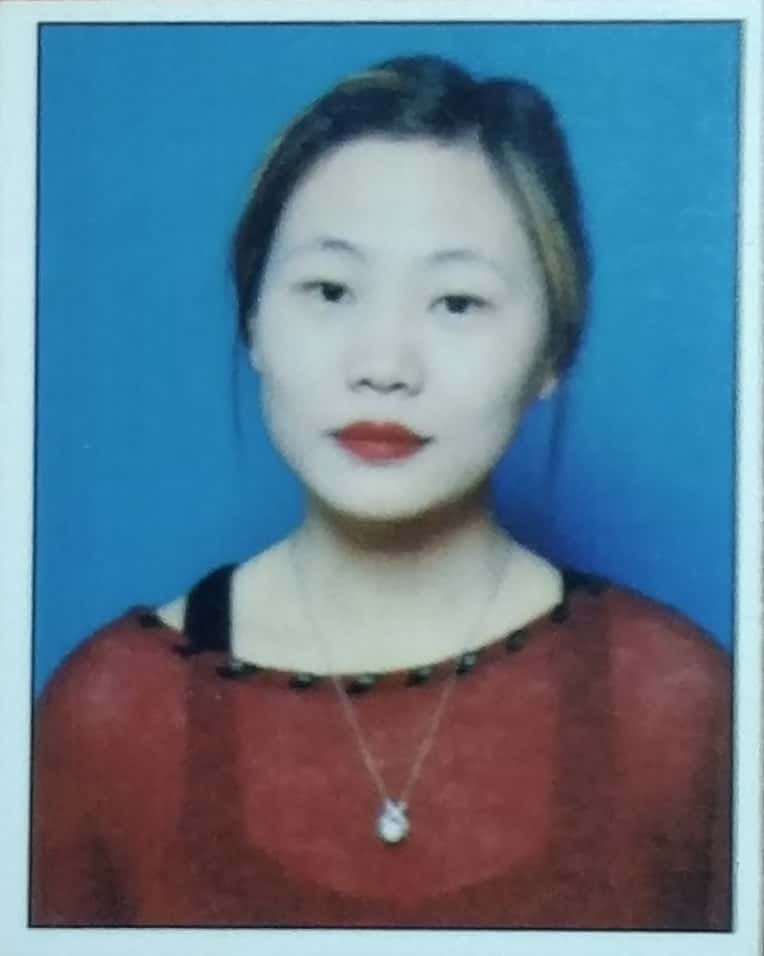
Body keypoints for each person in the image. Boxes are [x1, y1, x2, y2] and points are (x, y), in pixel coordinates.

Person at [31, 55, 730, 930]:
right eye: (329, 290)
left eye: (458, 302)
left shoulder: (678, 705)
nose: (384, 366)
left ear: (555, 351)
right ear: (253, 322)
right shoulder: (110, 713)